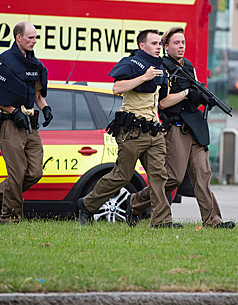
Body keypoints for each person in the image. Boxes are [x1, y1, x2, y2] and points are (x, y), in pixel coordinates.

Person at [128, 26, 235, 229]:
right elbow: (163, 102)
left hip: (195, 128)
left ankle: (213, 221)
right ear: (166, 46)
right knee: (173, 178)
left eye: (183, 42)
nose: (181, 46)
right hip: (176, 128)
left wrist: (201, 98)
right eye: (176, 43)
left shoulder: (188, 66)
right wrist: (187, 93)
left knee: (203, 176)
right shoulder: (162, 68)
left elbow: (192, 95)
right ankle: (136, 202)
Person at [77, 29, 180, 228]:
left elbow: (162, 101)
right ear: (142, 46)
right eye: (154, 43)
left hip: (154, 131)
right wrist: (144, 77)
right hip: (132, 131)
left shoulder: (162, 68)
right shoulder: (131, 63)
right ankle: (87, 205)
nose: (159, 47)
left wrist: (185, 95)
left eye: (160, 43)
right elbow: (117, 88)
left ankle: (162, 221)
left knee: (159, 176)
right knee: (122, 175)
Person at [0, 21, 53, 224]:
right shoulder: (2, 61)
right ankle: (10, 218)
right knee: (17, 173)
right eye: (30, 37)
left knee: (35, 172)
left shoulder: (34, 64)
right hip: (9, 124)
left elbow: (36, 94)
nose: (34, 41)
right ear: (18, 38)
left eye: (35, 37)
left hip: (30, 125)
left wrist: (45, 107)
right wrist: (12, 111)